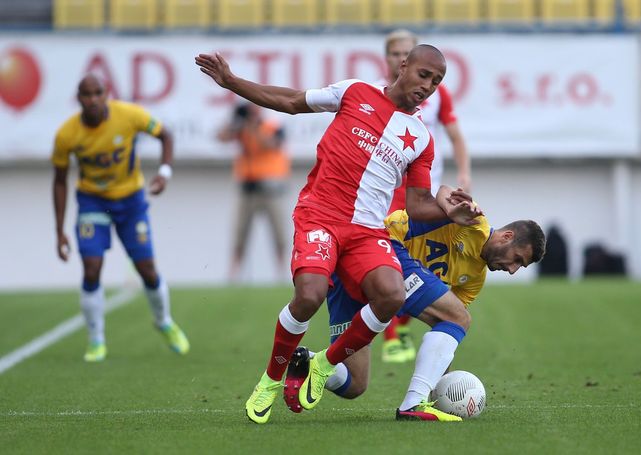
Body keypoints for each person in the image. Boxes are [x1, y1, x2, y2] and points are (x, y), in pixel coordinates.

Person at [195, 45, 483, 424]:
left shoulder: (421, 137)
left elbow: (417, 204)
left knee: (391, 293)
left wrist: (450, 211)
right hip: (320, 217)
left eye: (437, 82)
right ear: (403, 66)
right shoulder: (354, 92)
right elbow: (292, 100)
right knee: (309, 295)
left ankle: (323, 365)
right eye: (424, 75)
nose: (428, 86)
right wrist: (232, 82)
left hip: (366, 231)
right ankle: (269, 379)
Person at [283, 188, 546, 420]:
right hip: (380, 246)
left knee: (354, 384)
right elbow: (443, 190)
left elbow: (445, 332)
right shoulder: (473, 223)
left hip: (354, 279)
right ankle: (413, 404)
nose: (512, 270)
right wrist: (449, 202)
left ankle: (308, 361)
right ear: (507, 236)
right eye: (517, 260)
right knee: (459, 318)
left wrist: (439, 386)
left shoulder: (475, 278)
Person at [52, 74, 190, 362]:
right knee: (91, 268)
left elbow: (165, 135)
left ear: (106, 94)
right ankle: (96, 340)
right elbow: (60, 180)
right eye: (86, 95)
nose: (92, 99)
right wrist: (60, 230)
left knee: (147, 269)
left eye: (97, 93)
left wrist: (164, 173)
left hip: (130, 201)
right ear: (78, 99)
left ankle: (164, 321)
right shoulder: (67, 134)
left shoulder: (129, 115)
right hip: (92, 201)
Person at [379, 30, 474, 363]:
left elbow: (456, 136)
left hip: (425, 194)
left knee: (420, 261)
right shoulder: (375, 95)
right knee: (392, 260)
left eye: (406, 51)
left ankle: (399, 324)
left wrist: (463, 174)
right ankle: (391, 334)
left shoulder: (437, 94)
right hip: (387, 192)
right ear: (391, 59)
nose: (399, 57)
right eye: (394, 53)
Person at [217, 101, 290, 281]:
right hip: (247, 188)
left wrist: (252, 127)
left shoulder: (272, 126)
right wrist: (234, 122)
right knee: (240, 233)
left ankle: (283, 275)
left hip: (271, 188)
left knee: (279, 233)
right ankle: (233, 276)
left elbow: (270, 144)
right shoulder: (241, 129)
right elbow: (220, 137)